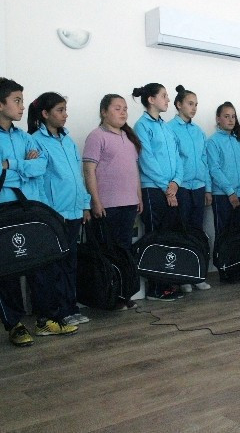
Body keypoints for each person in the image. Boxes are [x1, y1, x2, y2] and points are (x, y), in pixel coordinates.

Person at [0, 77, 77, 346]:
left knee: (40, 265)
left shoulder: (26, 137)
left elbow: (40, 168)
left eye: (22, 100)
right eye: (17, 101)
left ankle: (46, 319)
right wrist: (23, 167)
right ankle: (15, 325)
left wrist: (12, 164)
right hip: (3, 211)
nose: (22, 106)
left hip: (31, 210)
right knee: (7, 270)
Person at [29, 92, 92, 325]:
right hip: (55, 214)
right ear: (45, 114)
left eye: (65, 109)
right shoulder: (35, 140)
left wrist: (85, 204)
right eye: (60, 110)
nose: (65, 115)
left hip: (74, 212)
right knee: (53, 266)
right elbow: (38, 181)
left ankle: (71, 307)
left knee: (70, 263)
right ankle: (57, 311)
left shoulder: (68, 140)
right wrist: (48, 213)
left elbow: (78, 176)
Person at [82, 94, 142, 309]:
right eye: (117, 108)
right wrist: (95, 201)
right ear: (104, 112)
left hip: (129, 203)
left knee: (124, 251)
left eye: (125, 108)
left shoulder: (129, 138)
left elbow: (134, 171)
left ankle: (124, 294)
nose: (123, 112)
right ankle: (109, 297)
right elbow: (89, 171)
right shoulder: (96, 136)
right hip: (107, 205)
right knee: (107, 252)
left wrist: (138, 196)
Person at [132, 83, 184, 301]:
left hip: (170, 189)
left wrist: (176, 183)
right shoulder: (141, 126)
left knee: (169, 237)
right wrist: (166, 187)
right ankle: (155, 287)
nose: (168, 100)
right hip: (153, 190)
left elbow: (178, 158)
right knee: (155, 238)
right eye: (164, 96)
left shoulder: (166, 126)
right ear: (151, 100)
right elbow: (147, 160)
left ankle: (168, 282)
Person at [168, 85, 212, 292]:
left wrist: (208, 188)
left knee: (197, 231)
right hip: (182, 187)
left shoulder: (198, 131)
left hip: (199, 186)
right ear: (178, 105)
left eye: (196, 104)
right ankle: (182, 276)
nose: (194, 108)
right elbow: (172, 160)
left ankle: (196, 275)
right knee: (181, 231)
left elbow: (205, 161)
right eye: (190, 103)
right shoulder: (169, 128)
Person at [206, 101, 240, 284]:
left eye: (233, 116)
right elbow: (214, 169)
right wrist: (230, 192)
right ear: (218, 119)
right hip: (223, 196)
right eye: (226, 116)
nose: (231, 120)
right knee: (224, 234)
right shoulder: (213, 141)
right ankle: (226, 271)